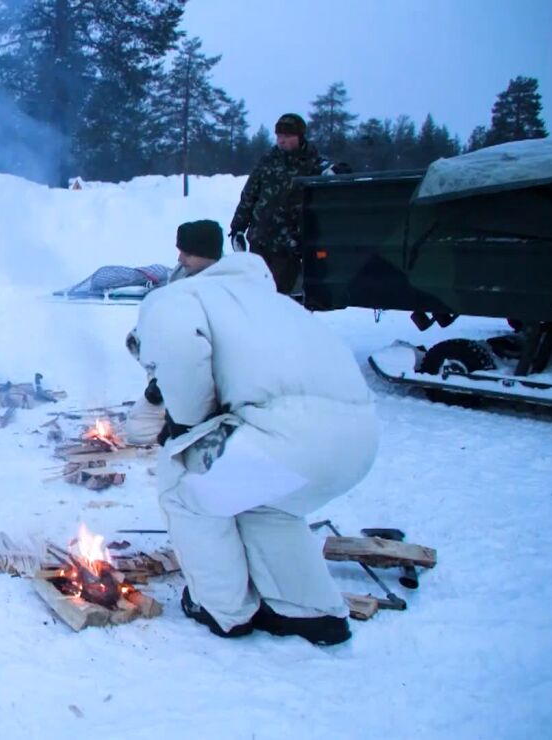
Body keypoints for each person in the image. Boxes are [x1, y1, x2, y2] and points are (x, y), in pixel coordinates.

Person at [134, 251, 378, 646]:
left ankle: (222, 608)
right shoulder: (273, 303)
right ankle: (311, 613)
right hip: (358, 442)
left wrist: (187, 422)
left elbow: (179, 346)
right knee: (267, 506)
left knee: (185, 487)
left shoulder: (175, 298)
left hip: (287, 437)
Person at [123, 220, 223, 445]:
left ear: (207, 254)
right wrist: (159, 380)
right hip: (175, 377)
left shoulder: (223, 291)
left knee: (146, 430)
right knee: (137, 429)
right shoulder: (181, 276)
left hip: (211, 385)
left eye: (187, 253)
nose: (180, 259)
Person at [228, 113, 333, 294]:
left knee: (279, 295)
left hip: (288, 246)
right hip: (259, 240)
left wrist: (336, 172)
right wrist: (237, 228)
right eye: (279, 136)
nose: (281, 141)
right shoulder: (268, 161)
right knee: (253, 292)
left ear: (299, 137)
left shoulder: (314, 163)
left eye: (287, 136)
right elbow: (249, 196)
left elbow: (332, 186)